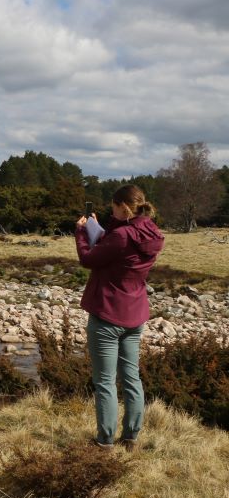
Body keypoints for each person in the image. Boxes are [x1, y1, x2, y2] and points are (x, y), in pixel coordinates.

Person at [75, 184, 165, 450]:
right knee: (131, 378)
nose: (110, 210)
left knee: (104, 382)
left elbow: (88, 259)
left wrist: (82, 232)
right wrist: (104, 226)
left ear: (123, 207)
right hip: (135, 314)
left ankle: (104, 442)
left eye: (113, 207)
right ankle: (131, 438)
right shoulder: (151, 232)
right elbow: (119, 241)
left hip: (107, 314)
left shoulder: (123, 236)